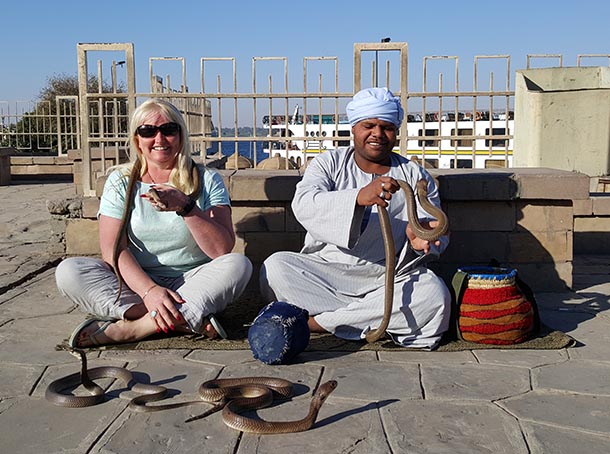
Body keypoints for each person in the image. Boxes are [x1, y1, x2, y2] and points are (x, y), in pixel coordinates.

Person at [259, 87, 451, 349]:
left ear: (396, 131)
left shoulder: (415, 176)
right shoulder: (328, 163)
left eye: (387, 127)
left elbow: (434, 229)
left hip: (386, 277)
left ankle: (318, 323)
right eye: (369, 125)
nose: (377, 134)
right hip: (327, 273)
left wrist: (422, 239)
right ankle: (373, 317)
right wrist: (358, 197)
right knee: (275, 269)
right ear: (354, 128)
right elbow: (303, 204)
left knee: (433, 294)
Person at [56, 99, 252, 347]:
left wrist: (186, 206)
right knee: (69, 272)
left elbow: (221, 250)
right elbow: (113, 250)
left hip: (192, 280)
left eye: (168, 130)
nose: (159, 138)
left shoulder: (207, 179)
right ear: (137, 139)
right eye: (148, 131)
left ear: (180, 135)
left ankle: (137, 328)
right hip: (137, 283)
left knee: (238, 265)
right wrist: (149, 291)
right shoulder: (121, 182)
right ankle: (184, 319)